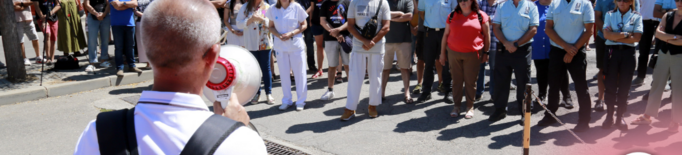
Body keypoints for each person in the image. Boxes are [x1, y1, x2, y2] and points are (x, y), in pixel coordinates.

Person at [73, 0, 267, 154]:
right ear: (213, 57)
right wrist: (238, 130)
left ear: (147, 51)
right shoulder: (240, 142)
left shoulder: (97, 134)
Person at [536, 0, 595, 132]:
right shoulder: (555, 3)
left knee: (581, 87)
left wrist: (572, 50)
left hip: (577, 51)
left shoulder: (585, 4)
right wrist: (566, 47)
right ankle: (550, 115)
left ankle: (584, 120)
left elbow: (589, 31)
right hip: (558, 50)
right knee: (554, 85)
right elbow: (548, 29)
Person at [630, 0, 682, 133]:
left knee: (678, 90)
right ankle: (647, 116)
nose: (679, 3)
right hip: (664, 54)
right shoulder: (668, 15)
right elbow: (657, 33)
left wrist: (666, 37)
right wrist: (676, 37)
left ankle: (676, 120)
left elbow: (669, 38)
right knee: (656, 86)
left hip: (679, 58)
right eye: (677, 0)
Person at [487, 0, 538, 123]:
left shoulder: (531, 6)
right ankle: (500, 110)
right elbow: (496, 27)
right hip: (503, 49)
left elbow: (533, 29)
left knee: (523, 82)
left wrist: (516, 44)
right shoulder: (501, 6)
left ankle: (525, 112)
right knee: (501, 81)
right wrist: (506, 43)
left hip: (522, 49)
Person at [341, 0, 391, 121]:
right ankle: (350, 108)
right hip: (359, 46)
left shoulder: (383, 2)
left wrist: (372, 41)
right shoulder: (354, 2)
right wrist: (365, 41)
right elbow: (350, 25)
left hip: (377, 46)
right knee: (354, 77)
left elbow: (386, 26)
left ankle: (372, 106)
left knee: (375, 77)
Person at [439, 0, 490, 118]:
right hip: (453, 53)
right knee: (456, 81)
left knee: (470, 82)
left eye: (465, 0)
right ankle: (456, 106)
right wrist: (442, 53)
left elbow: (487, 36)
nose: (463, 2)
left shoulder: (481, 15)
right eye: (460, 0)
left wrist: (486, 53)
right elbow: (445, 35)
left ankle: (469, 106)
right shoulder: (452, 15)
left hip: (472, 54)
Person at [599, 0, 642, 132]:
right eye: (619, 0)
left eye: (626, 0)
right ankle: (609, 115)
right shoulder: (609, 15)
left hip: (628, 54)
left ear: (631, 2)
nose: (622, 3)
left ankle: (620, 116)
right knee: (610, 86)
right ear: (615, 1)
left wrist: (615, 35)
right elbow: (606, 34)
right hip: (612, 53)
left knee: (625, 86)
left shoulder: (636, 16)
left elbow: (637, 38)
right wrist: (626, 34)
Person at [266, 0, 309, 111]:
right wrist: (279, 35)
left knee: (300, 74)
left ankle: (301, 101)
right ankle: (287, 100)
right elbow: (270, 27)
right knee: (284, 74)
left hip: (295, 45)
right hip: (280, 46)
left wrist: (292, 33)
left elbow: (304, 24)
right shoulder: (272, 9)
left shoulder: (297, 7)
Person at [531, 0, 573, 108]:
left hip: (556, 45)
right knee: (541, 71)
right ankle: (542, 95)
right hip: (538, 45)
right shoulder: (532, 6)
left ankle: (566, 96)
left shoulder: (558, 5)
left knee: (561, 71)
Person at [415, 0, 457, 103]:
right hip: (430, 33)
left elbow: (454, 13)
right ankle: (426, 92)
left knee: (446, 63)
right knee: (429, 63)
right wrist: (431, 24)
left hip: (446, 32)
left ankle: (448, 91)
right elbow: (422, 13)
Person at [237, 0, 276, 105]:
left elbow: (272, 23)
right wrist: (249, 20)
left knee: (266, 67)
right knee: (255, 69)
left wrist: (261, 19)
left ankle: (269, 93)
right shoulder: (245, 7)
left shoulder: (267, 7)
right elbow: (239, 24)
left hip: (264, 42)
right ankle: (256, 93)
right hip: (251, 43)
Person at [382, 0, 414, 103]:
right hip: (386, 40)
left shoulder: (407, 1)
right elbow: (381, 14)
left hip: (404, 39)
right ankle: (381, 94)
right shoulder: (384, 1)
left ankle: (407, 94)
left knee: (405, 68)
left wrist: (389, 18)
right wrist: (400, 15)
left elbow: (409, 16)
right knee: (385, 69)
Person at [319, 0, 351, 100]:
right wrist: (336, 33)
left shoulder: (348, 2)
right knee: (332, 66)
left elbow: (351, 21)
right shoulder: (325, 3)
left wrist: (339, 30)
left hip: (346, 38)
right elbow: (322, 21)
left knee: (348, 65)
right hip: (330, 39)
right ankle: (330, 91)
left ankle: (352, 90)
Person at [108, 0, 142, 76]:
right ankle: (120, 68)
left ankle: (132, 66)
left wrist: (123, 3)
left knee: (130, 46)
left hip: (130, 24)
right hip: (117, 24)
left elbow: (135, 3)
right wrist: (128, 5)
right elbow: (117, 7)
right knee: (119, 47)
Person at [475, 0, 499, 101]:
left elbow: (501, 20)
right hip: (481, 41)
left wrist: (489, 19)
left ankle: (493, 93)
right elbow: (476, 18)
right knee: (480, 68)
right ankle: (479, 92)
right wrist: (491, 20)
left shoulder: (501, 4)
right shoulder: (479, 2)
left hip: (495, 41)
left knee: (494, 69)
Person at [632, 0, 658, 85]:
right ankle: (640, 76)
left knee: (660, 53)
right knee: (643, 52)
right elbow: (636, 4)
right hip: (644, 21)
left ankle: (659, 80)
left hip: (661, 21)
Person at [83, 0, 112, 72]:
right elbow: (87, 4)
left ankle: (103, 60)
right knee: (92, 40)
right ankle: (92, 63)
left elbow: (108, 4)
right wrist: (96, 14)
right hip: (92, 16)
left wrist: (104, 14)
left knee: (105, 39)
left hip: (105, 16)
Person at [14, 0, 44, 65]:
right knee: (20, 41)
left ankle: (38, 57)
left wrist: (20, 4)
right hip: (17, 20)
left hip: (29, 19)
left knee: (35, 38)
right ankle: (24, 58)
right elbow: (14, 7)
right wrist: (25, 5)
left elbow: (32, 2)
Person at [33, 0, 59, 64]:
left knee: (53, 39)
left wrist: (50, 13)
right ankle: (48, 58)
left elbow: (58, 4)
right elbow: (37, 7)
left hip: (53, 18)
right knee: (47, 34)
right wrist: (44, 19)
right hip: (42, 18)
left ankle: (52, 59)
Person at [133, 0, 154, 69]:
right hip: (139, 22)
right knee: (142, 44)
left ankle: (152, 62)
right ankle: (147, 62)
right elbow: (134, 10)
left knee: (152, 43)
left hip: (151, 22)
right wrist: (142, 15)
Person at [411, 0, 425, 94]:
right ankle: (419, 83)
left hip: (431, 29)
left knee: (437, 60)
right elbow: (416, 12)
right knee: (420, 59)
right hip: (419, 30)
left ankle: (441, 83)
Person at [310, 0, 326, 78]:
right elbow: (312, 8)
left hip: (327, 23)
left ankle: (334, 70)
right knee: (319, 46)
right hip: (316, 24)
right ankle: (320, 70)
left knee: (330, 47)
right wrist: (310, 21)